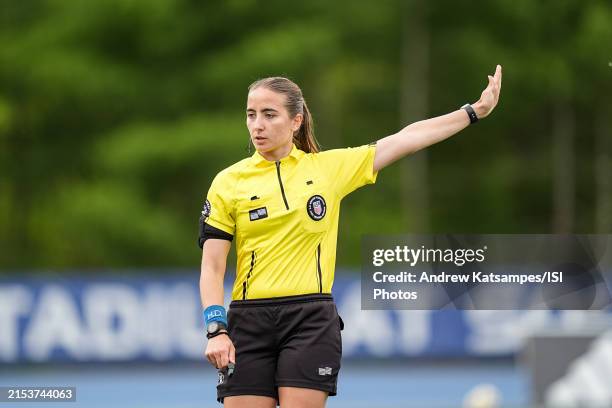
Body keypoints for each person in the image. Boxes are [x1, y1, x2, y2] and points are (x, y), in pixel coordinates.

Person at [199, 66, 502, 408]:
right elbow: (212, 266)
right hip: (248, 322)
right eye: (251, 115)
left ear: (296, 121)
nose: (258, 125)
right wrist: (216, 329)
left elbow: (407, 138)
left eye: (270, 115)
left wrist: (473, 112)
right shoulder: (228, 182)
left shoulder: (328, 169)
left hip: (309, 321)